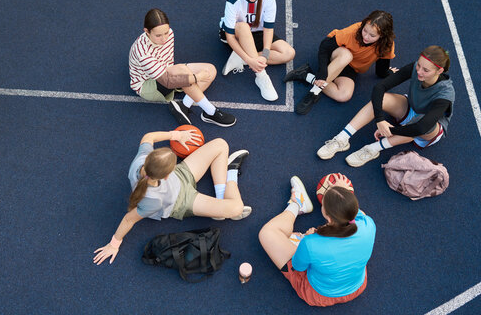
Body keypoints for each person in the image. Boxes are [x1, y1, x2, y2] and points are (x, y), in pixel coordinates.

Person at [93, 129, 251, 265]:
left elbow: (148, 137)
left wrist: (176, 135)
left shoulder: (142, 160)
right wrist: (114, 244)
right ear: (167, 176)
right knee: (235, 208)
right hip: (183, 201)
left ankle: (221, 197)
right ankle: (230, 172)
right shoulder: (152, 201)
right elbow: (129, 219)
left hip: (182, 175)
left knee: (220, 144)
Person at [316, 45, 454, 167]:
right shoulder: (416, 67)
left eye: (425, 70)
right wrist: (380, 120)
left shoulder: (445, 94)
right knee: (383, 99)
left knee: (420, 126)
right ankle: (342, 138)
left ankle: (373, 149)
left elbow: (421, 127)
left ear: (439, 71)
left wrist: (390, 131)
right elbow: (380, 87)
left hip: (428, 128)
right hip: (411, 107)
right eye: (419, 65)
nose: (419, 71)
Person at [259, 174, 376, 307]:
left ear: (328, 217)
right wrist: (342, 194)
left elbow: (298, 267)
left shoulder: (311, 243)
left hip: (318, 295)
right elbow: (355, 215)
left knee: (267, 233)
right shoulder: (369, 224)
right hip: (357, 287)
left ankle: (297, 204)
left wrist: (308, 238)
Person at [129, 8, 236, 127]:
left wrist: (189, 77)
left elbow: (168, 64)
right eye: (158, 35)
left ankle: (183, 106)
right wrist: (196, 77)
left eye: (166, 33)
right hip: (148, 85)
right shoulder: (142, 52)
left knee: (210, 70)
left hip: (166, 71)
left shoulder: (170, 33)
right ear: (147, 32)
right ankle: (210, 111)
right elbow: (168, 82)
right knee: (185, 72)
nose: (164, 39)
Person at [285, 10, 395, 115]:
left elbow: (381, 70)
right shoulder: (352, 32)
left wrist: (388, 73)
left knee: (344, 95)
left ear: (382, 36)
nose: (365, 36)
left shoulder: (386, 45)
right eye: (365, 30)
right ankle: (314, 92)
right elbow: (325, 47)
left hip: (351, 67)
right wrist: (322, 74)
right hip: (336, 55)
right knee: (347, 56)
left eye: (372, 35)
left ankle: (306, 75)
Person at [219, 0, 295, 101]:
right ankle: (262, 77)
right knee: (243, 27)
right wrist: (251, 61)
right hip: (236, 34)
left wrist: (265, 54)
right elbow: (229, 37)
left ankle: (240, 59)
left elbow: (268, 28)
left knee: (289, 53)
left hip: (257, 33)